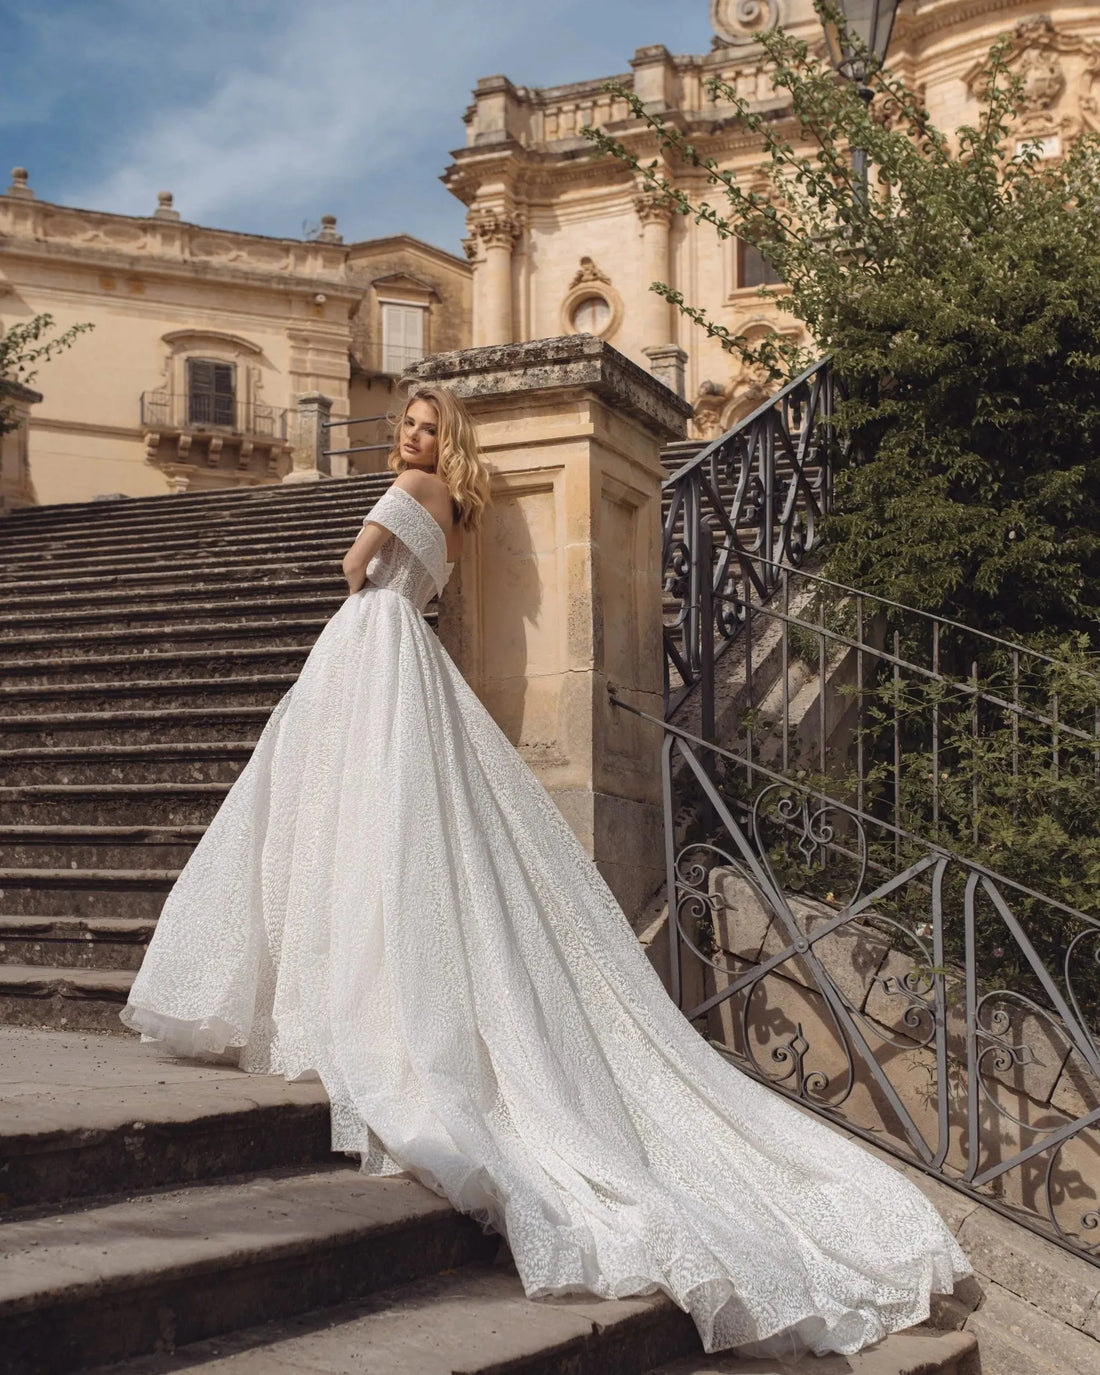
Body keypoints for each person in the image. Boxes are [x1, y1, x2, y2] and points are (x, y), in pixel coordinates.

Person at [122, 385, 969, 1359]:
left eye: (426, 426)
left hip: (370, 643)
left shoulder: (409, 489)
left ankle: (331, 993)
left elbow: (352, 567)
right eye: (407, 424)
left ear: (443, 439)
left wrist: (372, 540)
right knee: (379, 819)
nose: (411, 436)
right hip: (405, 651)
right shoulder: (456, 505)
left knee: (342, 812)